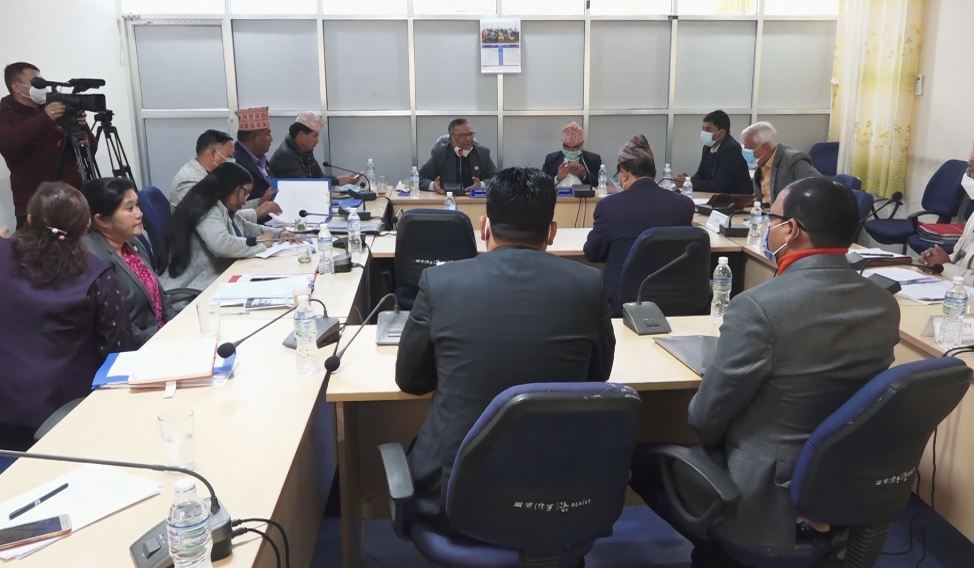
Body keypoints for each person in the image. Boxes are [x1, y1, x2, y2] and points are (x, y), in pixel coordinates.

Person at [629, 178, 900, 565]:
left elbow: (704, 420)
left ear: (791, 230)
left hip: (764, 496)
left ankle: (719, 551)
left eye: (773, 218)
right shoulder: (883, 304)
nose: (769, 228)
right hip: (845, 481)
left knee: (642, 460)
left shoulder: (758, 307)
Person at [396, 166, 616, 519]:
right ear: (552, 232)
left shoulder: (439, 283)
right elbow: (597, 375)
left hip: (454, 491)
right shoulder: (589, 285)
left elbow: (410, 380)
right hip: (558, 491)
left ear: (484, 227)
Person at [0, 182, 131, 450]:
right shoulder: (98, 275)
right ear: (86, 227)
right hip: (66, 417)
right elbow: (118, 353)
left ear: (30, 219)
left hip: (7, 409)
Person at [584, 149, 694, 315]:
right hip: (674, 301)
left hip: (622, 303)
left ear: (624, 174)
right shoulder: (684, 205)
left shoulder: (609, 206)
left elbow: (593, 253)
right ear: (653, 173)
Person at [161, 162, 293, 291]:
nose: (245, 201)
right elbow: (222, 244)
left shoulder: (224, 207)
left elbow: (246, 227)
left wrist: (279, 233)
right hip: (190, 290)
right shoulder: (208, 209)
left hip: (210, 281)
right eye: (245, 193)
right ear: (231, 187)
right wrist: (260, 244)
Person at [0, 62, 93, 230]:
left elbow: (89, 150)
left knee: (79, 245)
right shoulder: (5, 114)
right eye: (36, 82)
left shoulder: (54, 107)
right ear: (17, 87)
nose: (42, 87)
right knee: (38, 246)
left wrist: (82, 127)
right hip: (35, 205)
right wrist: (45, 118)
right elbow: (10, 145)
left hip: (71, 200)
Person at [81, 177, 172, 348]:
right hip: (136, 350)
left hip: (163, 337)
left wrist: (177, 325)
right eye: (130, 208)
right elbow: (119, 327)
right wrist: (164, 341)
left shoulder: (131, 241)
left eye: (137, 205)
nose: (139, 213)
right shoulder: (93, 260)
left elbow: (161, 297)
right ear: (102, 220)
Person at [920, 143, 974, 281]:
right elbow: (958, 258)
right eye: (969, 170)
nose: (970, 176)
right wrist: (935, 261)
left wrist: (945, 266)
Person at [269, 111, 357, 187]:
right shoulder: (286, 156)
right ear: (301, 135)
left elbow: (319, 177)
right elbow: (305, 186)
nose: (317, 141)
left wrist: (341, 180)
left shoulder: (306, 151)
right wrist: (337, 181)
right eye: (315, 136)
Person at [742, 121, 820, 205]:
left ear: (765, 146)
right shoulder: (761, 162)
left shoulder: (793, 161)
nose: (745, 150)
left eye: (748, 147)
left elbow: (819, 187)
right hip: (763, 211)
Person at [676, 110, 752, 195]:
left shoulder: (731, 149)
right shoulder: (707, 147)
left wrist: (691, 183)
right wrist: (687, 180)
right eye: (703, 129)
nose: (704, 132)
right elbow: (700, 175)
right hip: (715, 196)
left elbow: (719, 186)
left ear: (722, 132)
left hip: (734, 198)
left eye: (708, 129)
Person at [419, 118, 497, 194]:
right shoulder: (439, 154)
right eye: (462, 136)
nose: (468, 139)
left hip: (474, 199)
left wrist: (481, 185)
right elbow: (420, 178)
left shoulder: (482, 153)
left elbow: (496, 178)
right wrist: (433, 185)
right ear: (451, 139)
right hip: (446, 198)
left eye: (470, 134)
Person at [168, 129, 235, 210]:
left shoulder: (208, 174)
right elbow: (212, 215)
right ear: (213, 154)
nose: (232, 161)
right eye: (229, 156)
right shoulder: (190, 182)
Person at [233, 106, 276, 203]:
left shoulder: (260, 158)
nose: (271, 139)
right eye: (267, 134)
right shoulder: (235, 162)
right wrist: (261, 201)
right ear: (253, 137)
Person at [541, 121, 602, 187]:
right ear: (562, 141)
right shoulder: (551, 159)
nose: (570, 150)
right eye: (567, 146)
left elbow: (602, 184)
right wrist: (557, 178)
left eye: (575, 147)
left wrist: (584, 175)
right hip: (558, 194)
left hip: (583, 194)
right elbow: (541, 183)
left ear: (581, 143)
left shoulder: (593, 159)